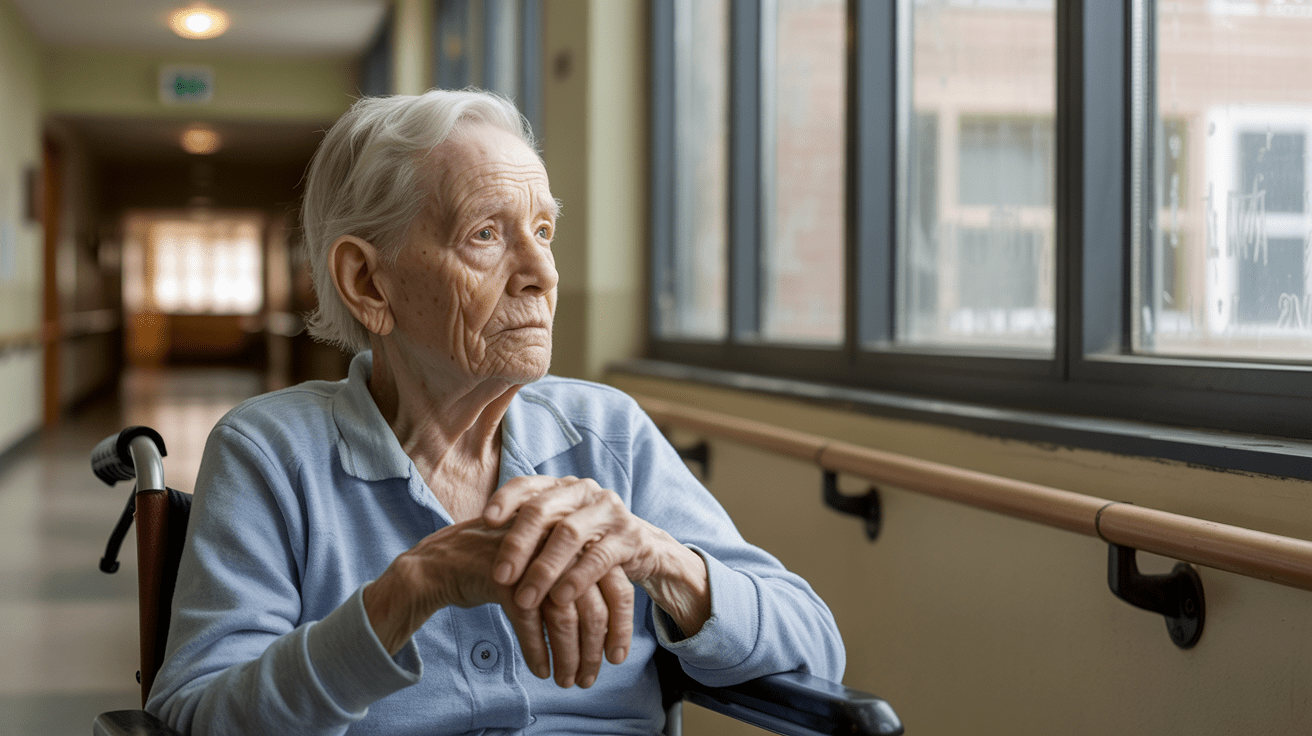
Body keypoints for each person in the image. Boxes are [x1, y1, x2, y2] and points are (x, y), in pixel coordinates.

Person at [147, 88, 844, 735]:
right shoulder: (271, 452)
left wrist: (657, 555)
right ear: (367, 281)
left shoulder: (608, 435)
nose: (543, 272)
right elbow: (199, 715)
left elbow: (816, 649)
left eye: (543, 230)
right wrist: (411, 591)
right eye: (486, 233)